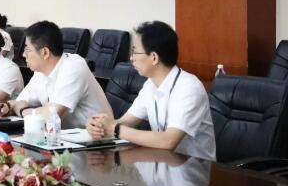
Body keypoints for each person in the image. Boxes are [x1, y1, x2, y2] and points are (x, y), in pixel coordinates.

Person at [87, 21, 216, 160]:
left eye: (135, 52)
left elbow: (168, 141)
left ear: (154, 57)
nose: (131, 58)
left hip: (192, 167)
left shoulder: (188, 87)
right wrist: (100, 126)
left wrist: (115, 129)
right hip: (161, 163)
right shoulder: (150, 84)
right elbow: (126, 121)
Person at [0, 20, 112, 128]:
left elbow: (51, 114)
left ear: (45, 53)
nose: (23, 54)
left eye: (27, 49)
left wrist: (23, 111)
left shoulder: (73, 67)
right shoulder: (40, 72)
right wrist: (6, 106)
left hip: (98, 139)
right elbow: (19, 102)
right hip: (64, 139)